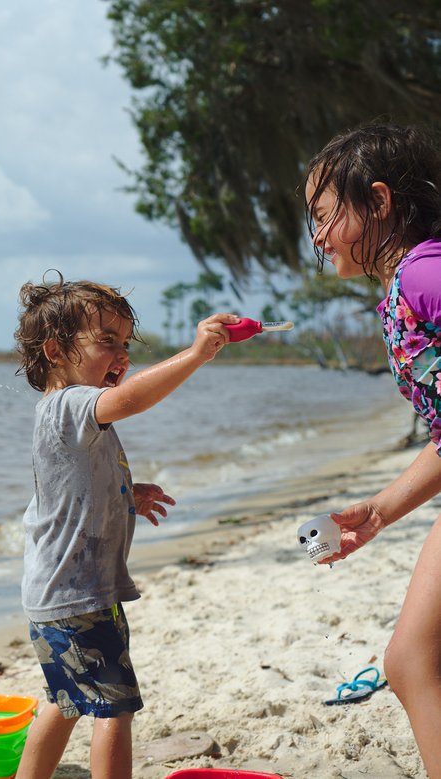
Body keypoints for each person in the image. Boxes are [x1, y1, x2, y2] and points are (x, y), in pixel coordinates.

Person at [11, 274, 237, 779]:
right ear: (55, 351)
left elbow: (70, 488)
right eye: (106, 341)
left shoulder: (65, 415)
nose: (122, 355)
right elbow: (132, 399)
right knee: (114, 708)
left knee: (66, 700)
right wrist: (197, 354)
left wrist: (126, 495)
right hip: (79, 596)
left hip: (57, 591)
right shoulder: (71, 405)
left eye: (125, 342)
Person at [306, 123, 441, 775]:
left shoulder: (424, 271)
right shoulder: (403, 288)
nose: (318, 237)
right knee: (411, 659)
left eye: (327, 215)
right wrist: (382, 510)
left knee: (414, 659)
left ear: (380, 201)